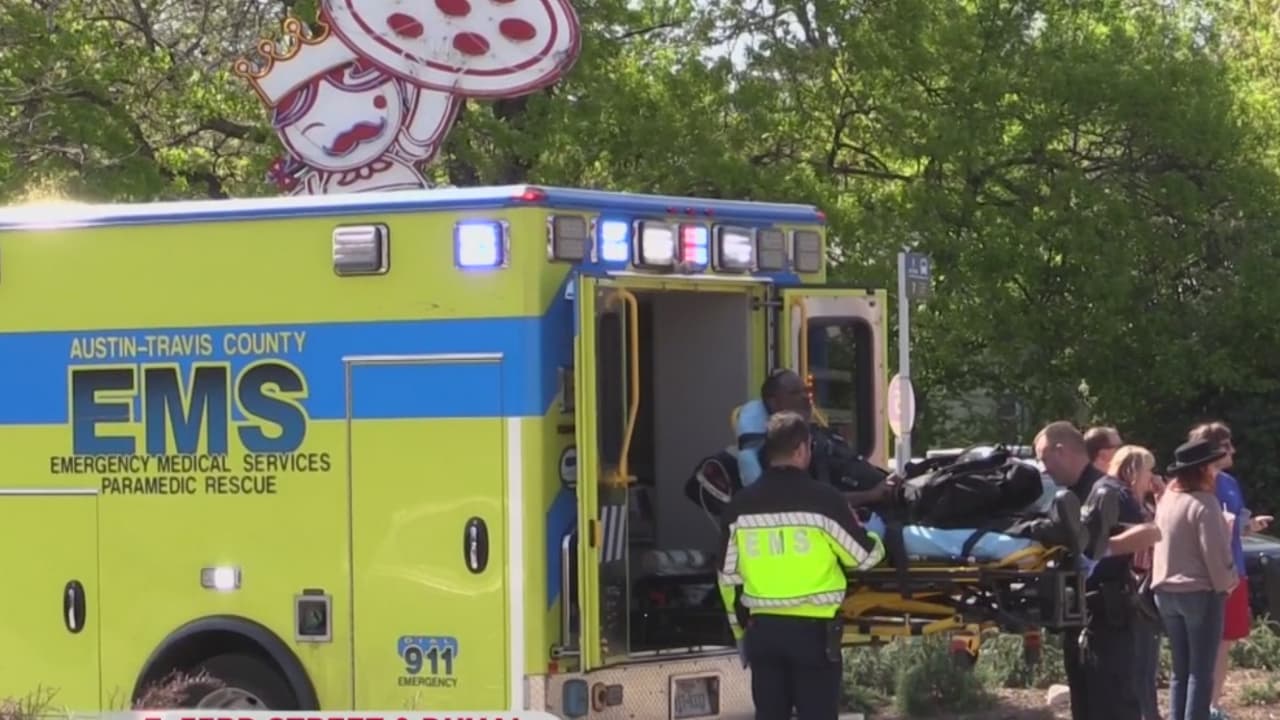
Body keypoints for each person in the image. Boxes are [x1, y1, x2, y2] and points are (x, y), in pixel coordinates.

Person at [716, 411, 886, 720]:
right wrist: (875, 533)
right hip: (813, 636)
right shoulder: (825, 501)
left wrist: (740, 632)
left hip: (763, 632)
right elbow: (864, 558)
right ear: (801, 449)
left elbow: (727, 577)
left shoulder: (739, 506)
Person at [1034, 421, 1161, 720]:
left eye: (1045, 458)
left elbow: (1151, 532)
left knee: (1113, 707)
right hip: (1079, 617)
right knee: (1086, 707)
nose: (1044, 469)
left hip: (1109, 618)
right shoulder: (1067, 495)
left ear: (1061, 450)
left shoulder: (1107, 491)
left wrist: (1100, 550)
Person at [1186, 422, 1273, 720]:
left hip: (1235, 571)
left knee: (1225, 640)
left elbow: (1234, 524)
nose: (1233, 450)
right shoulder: (1194, 484)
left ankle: (1213, 705)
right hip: (1208, 576)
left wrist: (1250, 526)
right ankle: (1198, 708)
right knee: (1205, 643)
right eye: (1226, 445)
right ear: (1210, 449)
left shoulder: (1230, 482)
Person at [1151, 438, 1238, 720]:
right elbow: (1215, 555)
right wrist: (1228, 582)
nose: (1215, 472)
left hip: (1164, 591)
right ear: (1202, 469)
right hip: (1199, 592)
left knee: (1180, 670)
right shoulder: (1205, 503)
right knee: (1201, 672)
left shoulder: (1167, 500)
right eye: (1212, 466)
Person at [737, 369, 893, 506]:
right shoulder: (782, 449)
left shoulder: (823, 435)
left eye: (806, 391)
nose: (805, 397)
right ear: (773, 402)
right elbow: (815, 501)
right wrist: (871, 495)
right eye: (795, 393)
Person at [1108, 444, 1164, 720]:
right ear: (1134, 472)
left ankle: (1149, 713)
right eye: (1148, 470)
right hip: (1132, 588)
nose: (1152, 476)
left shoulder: (1145, 503)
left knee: (1148, 661)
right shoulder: (1125, 503)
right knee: (1139, 662)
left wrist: (1161, 495)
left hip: (1147, 587)